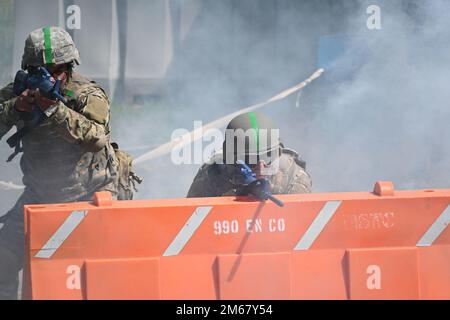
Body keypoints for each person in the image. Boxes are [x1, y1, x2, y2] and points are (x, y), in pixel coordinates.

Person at [0, 26, 119, 299]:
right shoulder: (19, 93)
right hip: (39, 195)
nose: (46, 77)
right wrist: (15, 108)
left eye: (55, 71)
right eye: (38, 71)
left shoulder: (87, 94)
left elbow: (96, 138)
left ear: (68, 69)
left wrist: (54, 109)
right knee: (3, 262)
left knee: (95, 273)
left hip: (90, 196)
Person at [187, 111, 312, 198]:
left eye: (269, 156)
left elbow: (299, 224)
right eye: (250, 159)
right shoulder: (211, 177)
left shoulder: (292, 178)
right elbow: (190, 222)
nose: (261, 168)